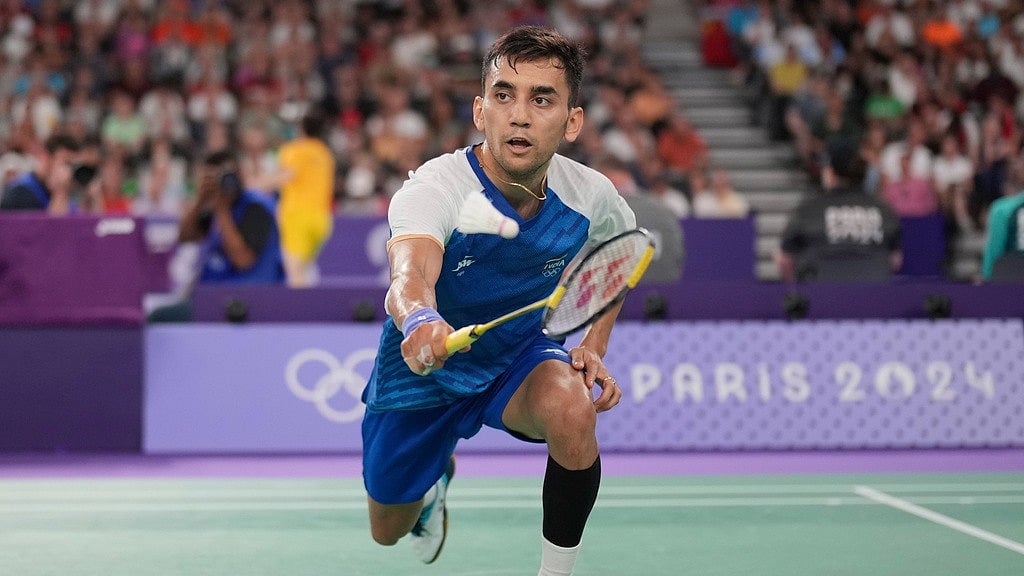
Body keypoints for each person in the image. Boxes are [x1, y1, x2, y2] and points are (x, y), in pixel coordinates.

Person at [361, 26, 635, 576]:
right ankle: (436, 478)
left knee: (571, 407)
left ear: (572, 121)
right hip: (422, 367)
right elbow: (409, 273)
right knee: (387, 532)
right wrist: (419, 319)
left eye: (542, 98)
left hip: (515, 356)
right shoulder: (436, 187)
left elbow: (622, 256)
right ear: (481, 112)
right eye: (505, 95)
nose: (521, 115)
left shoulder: (590, 195)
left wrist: (594, 342)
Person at [775, 137, 903, 283]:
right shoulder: (885, 211)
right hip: (874, 300)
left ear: (830, 172)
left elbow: (783, 260)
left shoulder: (807, 210)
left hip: (819, 301)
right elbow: (895, 261)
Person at [177, 149, 284, 284]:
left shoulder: (257, 206)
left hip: (252, 293)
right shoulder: (214, 204)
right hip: (215, 290)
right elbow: (185, 237)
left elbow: (243, 260)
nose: (223, 181)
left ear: (240, 172)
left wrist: (222, 211)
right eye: (214, 178)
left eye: (227, 174)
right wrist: (201, 200)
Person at [273, 109, 336, 287]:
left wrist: (255, 183)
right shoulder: (325, 153)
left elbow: (287, 176)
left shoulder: (295, 150)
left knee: (294, 272)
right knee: (306, 271)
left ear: (301, 128)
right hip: (322, 220)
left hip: (297, 216)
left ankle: (298, 312)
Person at [0, 133, 80, 214]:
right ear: (46, 158)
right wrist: (60, 194)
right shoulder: (20, 193)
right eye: (66, 163)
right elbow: (52, 226)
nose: (69, 171)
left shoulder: (66, 194)